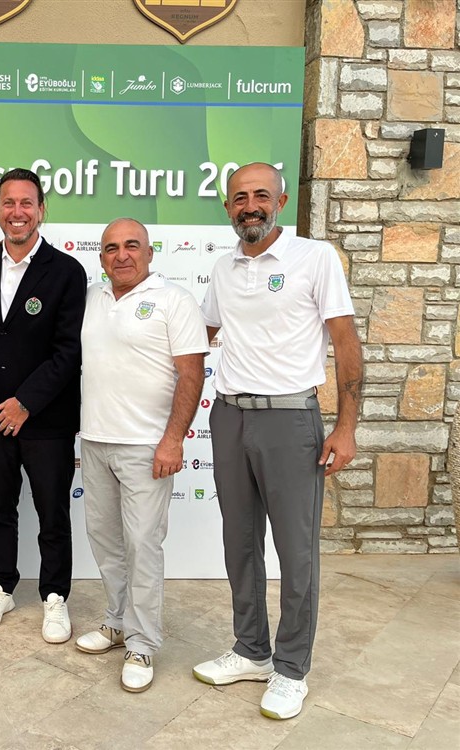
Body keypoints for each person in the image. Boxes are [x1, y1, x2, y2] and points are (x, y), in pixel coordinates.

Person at [192, 163, 362, 720]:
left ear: (281, 202)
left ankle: (290, 669)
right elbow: (203, 334)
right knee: (239, 544)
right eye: (239, 197)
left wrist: (346, 426)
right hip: (229, 417)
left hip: (290, 421)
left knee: (296, 551)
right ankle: (251, 650)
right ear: (227, 208)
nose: (250, 206)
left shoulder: (315, 258)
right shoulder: (223, 268)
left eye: (261, 195)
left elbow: (345, 342)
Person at [75, 218, 208, 692]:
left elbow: (191, 374)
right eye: (111, 248)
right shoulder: (91, 298)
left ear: (150, 253)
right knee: (105, 541)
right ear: (101, 257)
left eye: (132, 245)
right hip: (94, 442)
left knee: (142, 546)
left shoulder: (174, 300)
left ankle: (143, 643)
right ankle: (116, 621)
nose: (122, 255)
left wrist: (173, 440)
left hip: (147, 447)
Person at [0, 168, 87, 644]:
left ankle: (55, 595)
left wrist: (25, 402)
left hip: (46, 419)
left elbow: (68, 351)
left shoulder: (67, 271)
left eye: (26, 203)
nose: (16, 212)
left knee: (52, 512)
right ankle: (2, 586)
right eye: (8, 203)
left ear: (41, 210)